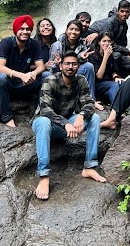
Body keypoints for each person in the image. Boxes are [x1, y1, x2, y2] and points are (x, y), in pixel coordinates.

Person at [31, 51, 106, 200]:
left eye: (74, 64)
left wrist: (81, 115)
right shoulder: (50, 80)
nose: (70, 67)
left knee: (95, 118)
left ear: (78, 66)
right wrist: (65, 124)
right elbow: (45, 109)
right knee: (44, 122)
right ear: (60, 65)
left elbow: (89, 103)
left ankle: (90, 166)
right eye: (67, 63)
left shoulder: (81, 80)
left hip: (68, 124)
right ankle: (44, 176)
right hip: (46, 124)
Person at [0, 15, 45, 127]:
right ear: (16, 30)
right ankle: (7, 119)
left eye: (27, 29)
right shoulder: (6, 42)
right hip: (8, 85)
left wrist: (33, 74)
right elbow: (0, 67)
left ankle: (41, 112)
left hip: (25, 85)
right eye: (21, 29)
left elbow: (41, 66)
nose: (24, 32)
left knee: (47, 76)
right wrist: (21, 75)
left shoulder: (34, 44)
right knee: (0, 79)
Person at [87, 0, 130, 76]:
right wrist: (127, 51)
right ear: (117, 12)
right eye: (122, 11)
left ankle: (117, 78)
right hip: (95, 47)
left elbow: (122, 43)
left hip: (107, 47)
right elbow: (110, 43)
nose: (124, 14)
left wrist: (126, 53)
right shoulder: (111, 22)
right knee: (117, 56)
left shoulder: (124, 25)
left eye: (127, 12)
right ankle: (111, 76)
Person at [50, 20, 95, 92]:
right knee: (46, 74)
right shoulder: (57, 45)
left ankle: (91, 99)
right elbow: (51, 68)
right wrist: (57, 63)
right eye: (71, 29)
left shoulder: (82, 43)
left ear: (80, 32)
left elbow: (81, 63)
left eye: (77, 30)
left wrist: (81, 57)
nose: (73, 32)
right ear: (66, 30)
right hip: (59, 71)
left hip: (74, 70)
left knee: (89, 66)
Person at [89, 32, 123, 108]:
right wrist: (105, 57)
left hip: (108, 82)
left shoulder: (110, 53)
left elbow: (113, 70)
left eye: (109, 41)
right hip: (97, 85)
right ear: (99, 42)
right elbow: (99, 76)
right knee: (113, 85)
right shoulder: (93, 55)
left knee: (123, 83)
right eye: (104, 41)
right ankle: (116, 110)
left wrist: (115, 77)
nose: (106, 43)